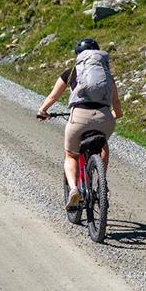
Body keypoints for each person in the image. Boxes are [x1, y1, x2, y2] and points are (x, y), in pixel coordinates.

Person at [37, 38, 123, 210]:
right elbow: (118, 108)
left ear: (79, 56)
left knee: (71, 155)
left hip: (79, 117)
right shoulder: (106, 75)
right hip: (104, 117)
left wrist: (43, 111)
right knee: (103, 146)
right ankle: (100, 183)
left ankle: (74, 189)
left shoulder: (71, 72)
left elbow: (53, 97)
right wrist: (110, 116)